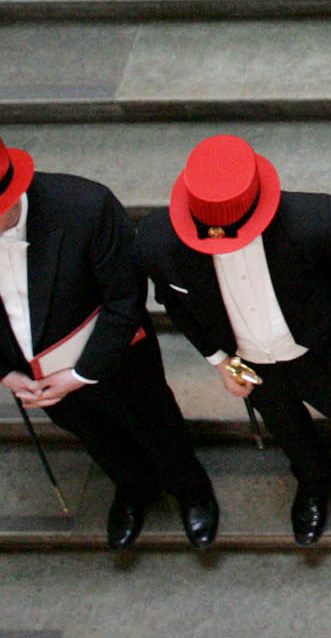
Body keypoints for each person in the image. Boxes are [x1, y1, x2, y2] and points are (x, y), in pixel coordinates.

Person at [139, 134, 331, 546]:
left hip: (322, 348)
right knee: (286, 428)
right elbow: (174, 302)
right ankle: (313, 479)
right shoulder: (158, 242)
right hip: (249, 362)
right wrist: (219, 359)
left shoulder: (315, 219)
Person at [0, 135, 218, 551]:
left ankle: (191, 490)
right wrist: (6, 374)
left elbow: (125, 300)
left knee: (155, 424)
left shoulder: (86, 207)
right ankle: (132, 488)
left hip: (114, 359)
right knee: (93, 434)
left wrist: (83, 372)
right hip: (35, 376)